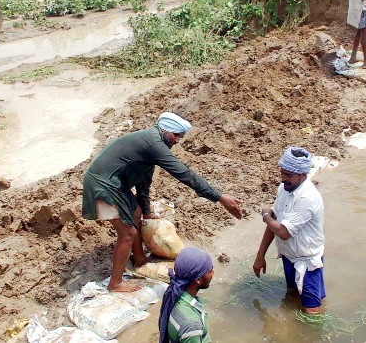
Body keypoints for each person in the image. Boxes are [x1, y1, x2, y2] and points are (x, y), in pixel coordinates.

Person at [81, 112, 242, 293]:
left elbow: (144, 181)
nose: (178, 140)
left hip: (115, 184)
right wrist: (219, 197)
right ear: (166, 130)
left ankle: (140, 260)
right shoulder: (154, 144)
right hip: (102, 185)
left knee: (136, 212)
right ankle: (115, 283)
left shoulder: (152, 142)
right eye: (177, 135)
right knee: (127, 233)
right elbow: (185, 174)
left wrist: (147, 211)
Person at [253, 147, 326, 314]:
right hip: (289, 256)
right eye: (282, 173)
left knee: (311, 310)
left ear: (303, 175)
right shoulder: (284, 189)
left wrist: (265, 215)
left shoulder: (307, 198)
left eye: (289, 175)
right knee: (292, 295)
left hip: (307, 261)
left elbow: (283, 232)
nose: (284, 179)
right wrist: (260, 255)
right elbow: (275, 226)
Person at [159, 247, 214, 343]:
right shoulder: (192, 324)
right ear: (198, 280)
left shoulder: (173, 295)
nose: (213, 272)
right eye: (210, 270)